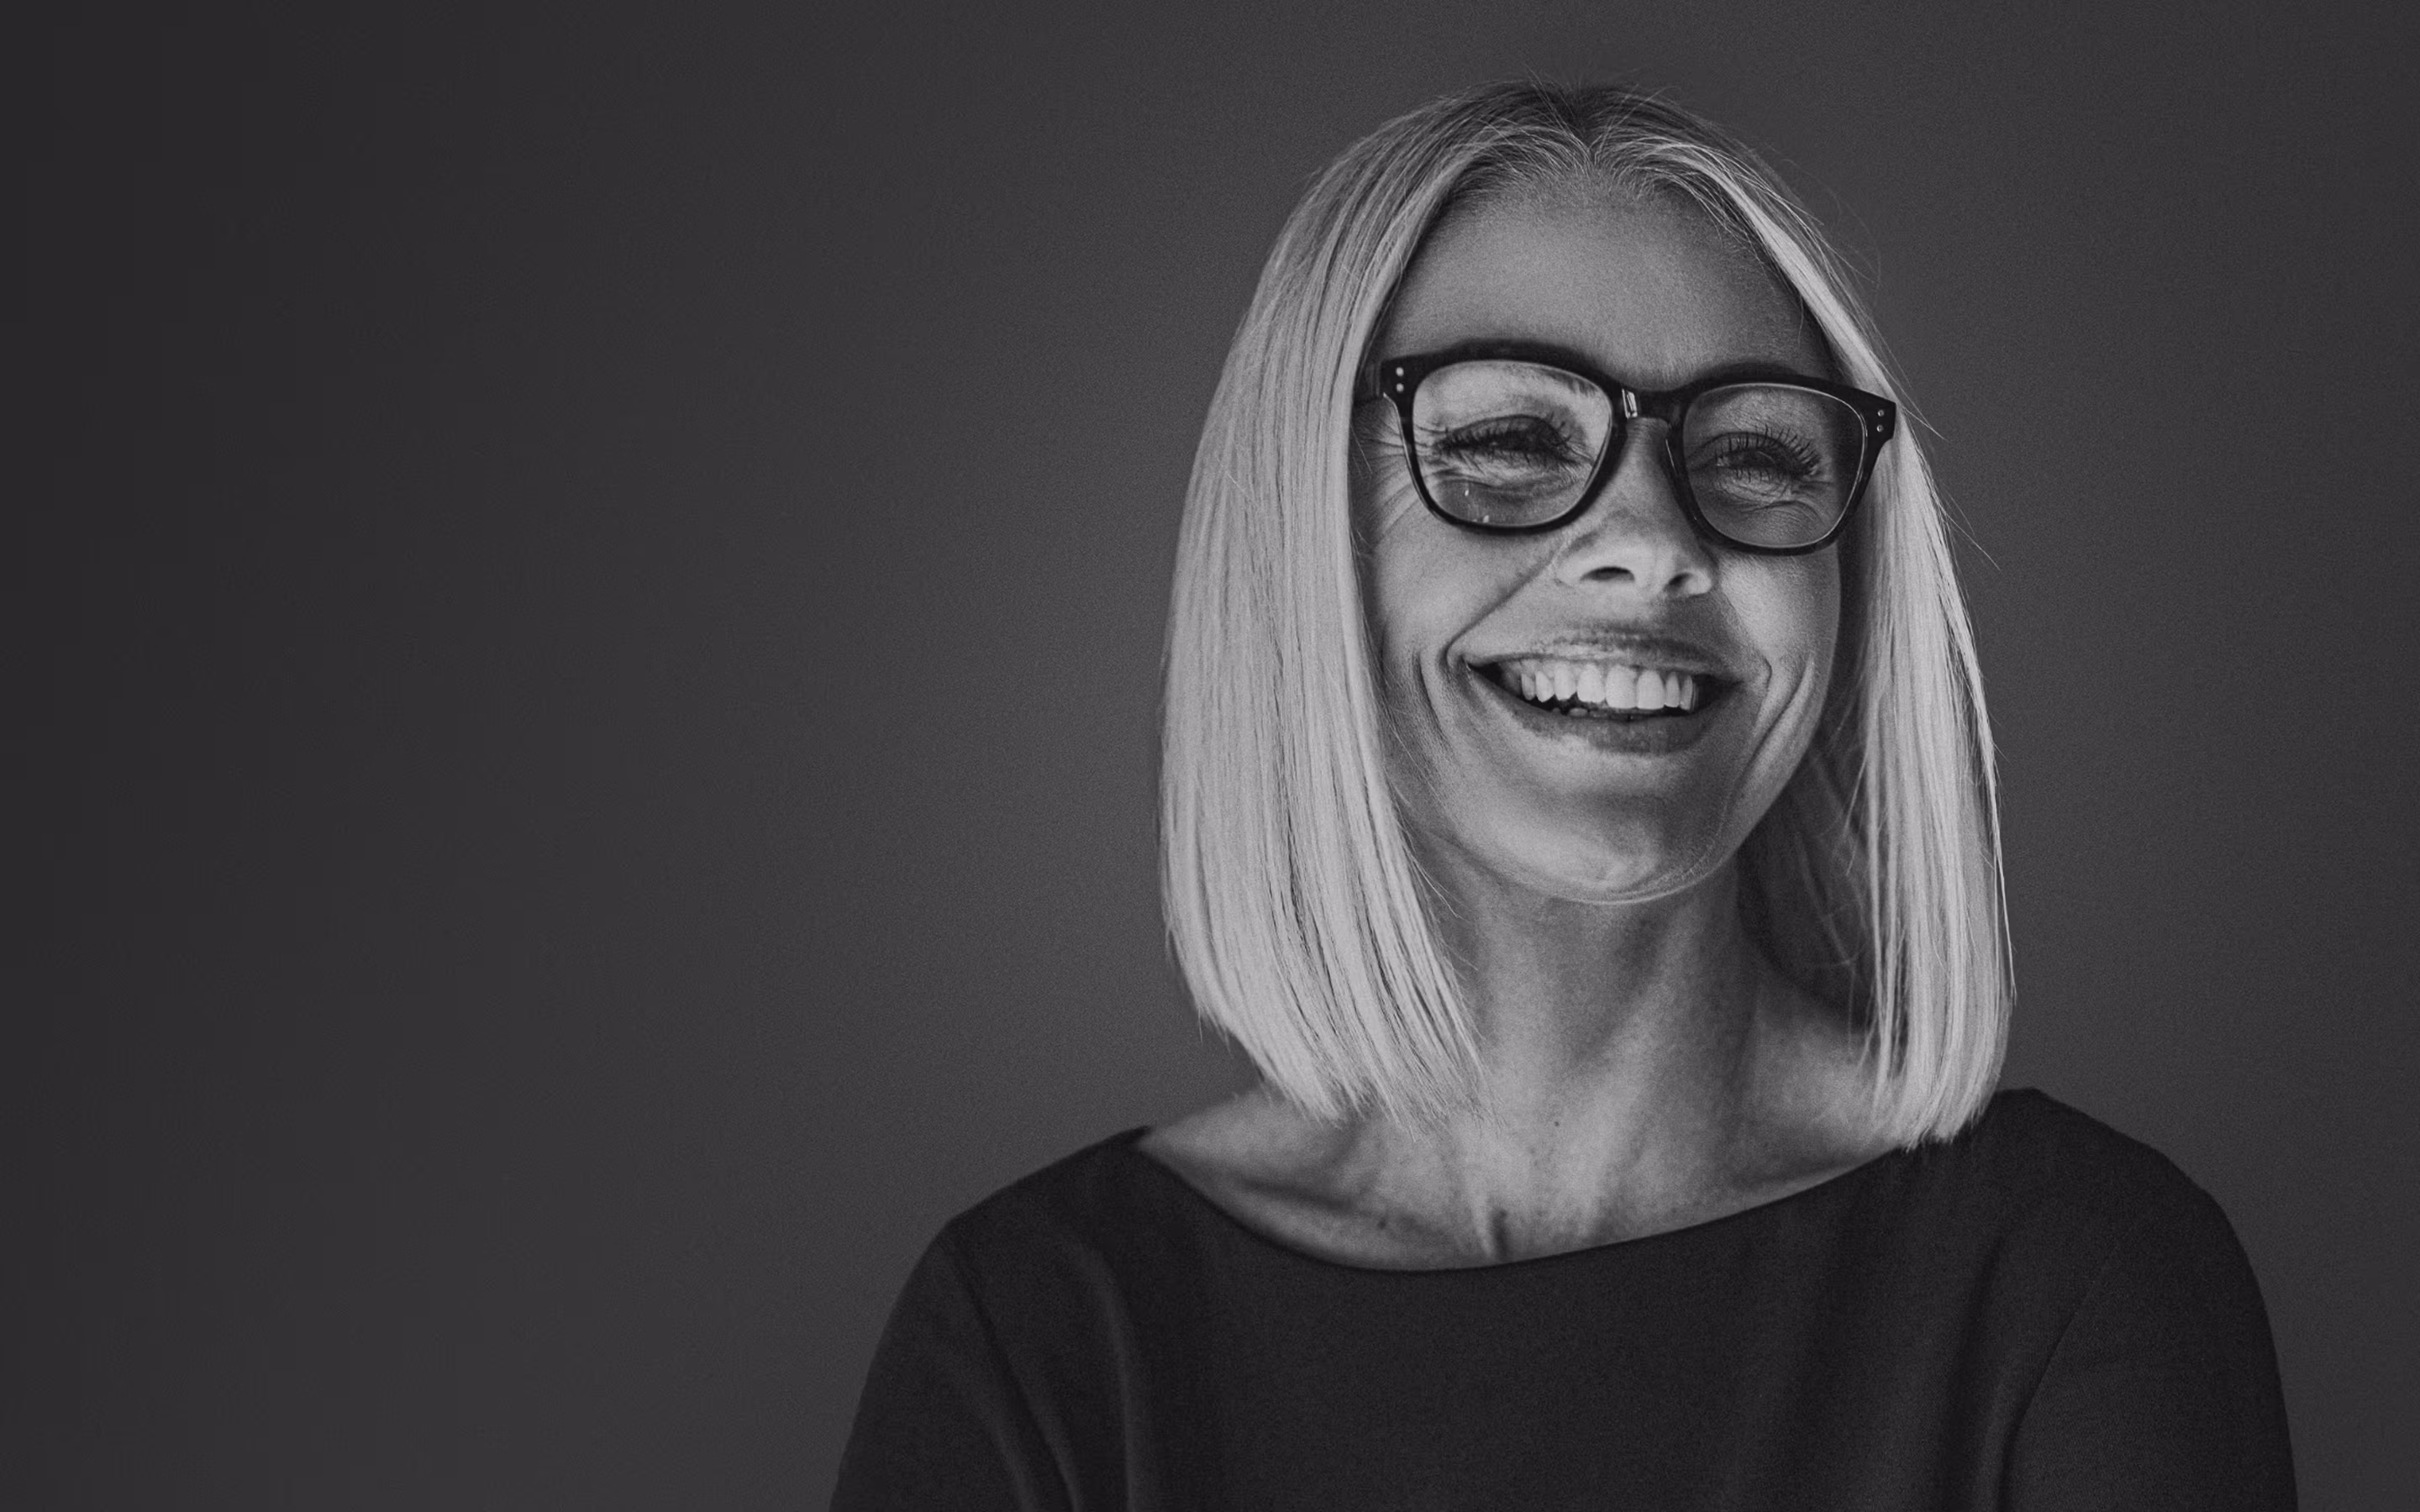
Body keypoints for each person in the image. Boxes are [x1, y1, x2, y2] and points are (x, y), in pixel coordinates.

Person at [833, 81, 2294, 1509]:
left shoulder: (2078, 1278)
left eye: (1755, 453)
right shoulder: (1039, 1336)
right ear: (1299, 531)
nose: (1652, 542)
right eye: (1512, 441)